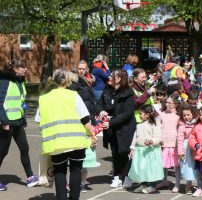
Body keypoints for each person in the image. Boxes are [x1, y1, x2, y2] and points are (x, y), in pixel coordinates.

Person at [36, 69, 96, 200]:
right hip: (76, 141)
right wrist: (93, 135)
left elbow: (39, 121)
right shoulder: (73, 95)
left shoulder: (44, 99)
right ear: (67, 81)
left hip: (55, 143)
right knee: (76, 171)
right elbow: (85, 120)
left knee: (59, 172)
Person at [0, 59, 39, 191]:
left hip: (18, 122)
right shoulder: (4, 81)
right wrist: (4, 121)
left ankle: (30, 177)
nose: (26, 69)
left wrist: (23, 118)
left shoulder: (20, 82)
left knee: (24, 148)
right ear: (15, 69)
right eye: (23, 67)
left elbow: (21, 102)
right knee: (2, 152)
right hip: (7, 124)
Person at [99, 69, 137, 188]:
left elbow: (127, 113)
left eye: (112, 76)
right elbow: (99, 103)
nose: (109, 77)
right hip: (112, 129)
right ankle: (116, 176)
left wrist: (111, 122)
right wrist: (101, 111)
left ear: (119, 79)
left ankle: (127, 176)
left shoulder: (128, 93)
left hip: (125, 128)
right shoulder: (108, 90)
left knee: (125, 152)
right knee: (115, 153)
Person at [127, 105, 164, 194]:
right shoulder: (139, 125)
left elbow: (158, 137)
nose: (139, 115)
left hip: (150, 151)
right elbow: (135, 137)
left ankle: (152, 185)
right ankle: (143, 184)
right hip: (140, 150)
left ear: (147, 114)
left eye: (141, 113)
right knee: (141, 168)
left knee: (151, 168)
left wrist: (152, 141)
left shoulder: (155, 124)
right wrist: (132, 148)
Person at [157, 94, 182, 192]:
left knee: (176, 164)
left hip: (174, 143)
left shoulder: (178, 115)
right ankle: (164, 180)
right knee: (163, 163)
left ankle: (177, 183)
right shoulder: (162, 113)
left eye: (169, 103)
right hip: (164, 142)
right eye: (166, 102)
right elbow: (158, 125)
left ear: (175, 104)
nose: (167, 104)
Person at [177, 104, 198, 194]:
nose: (186, 117)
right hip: (186, 149)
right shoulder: (182, 127)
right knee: (188, 167)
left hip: (196, 147)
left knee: (198, 166)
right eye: (184, 115)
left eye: (188, 115)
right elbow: (180, 140)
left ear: (193, 114)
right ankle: (188, 185)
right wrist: (180, 151)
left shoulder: (197, 124)